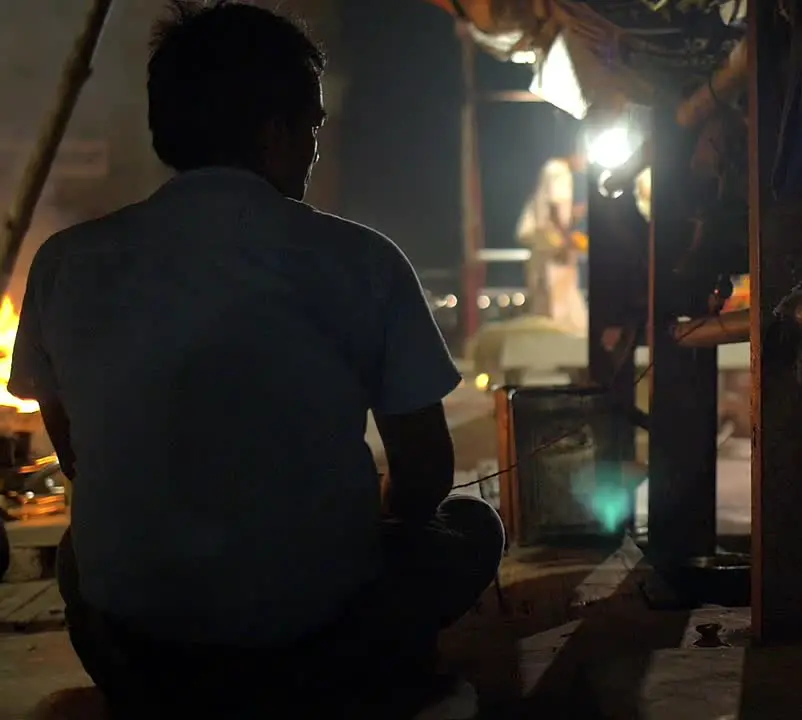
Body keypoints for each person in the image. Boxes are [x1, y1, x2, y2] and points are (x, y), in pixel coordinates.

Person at [9, 3, 503, 718]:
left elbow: (78, 453)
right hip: (316, 639)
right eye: (312, 129)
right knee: (473, 525)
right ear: (275, 133)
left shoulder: (64, 264)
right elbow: (423, 474)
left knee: (83, 551)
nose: (315, 150)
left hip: (136, 648)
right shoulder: (363, 261)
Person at [515, 154, 588, 336]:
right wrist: (567, 239)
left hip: (545, 244)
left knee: (544, 299)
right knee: (559, 300)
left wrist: (573, 214)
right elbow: (555, 208)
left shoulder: (550, 169)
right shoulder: (559, 172)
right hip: (554, 245)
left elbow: (553, 210)